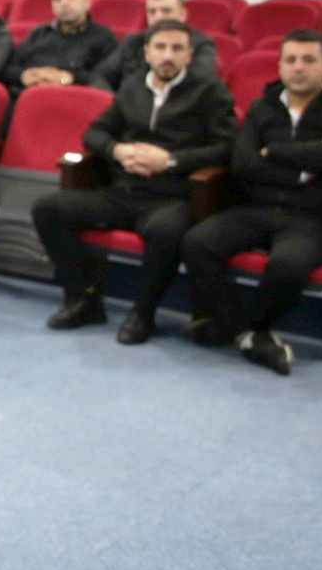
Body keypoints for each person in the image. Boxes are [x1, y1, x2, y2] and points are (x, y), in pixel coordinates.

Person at [32, 20, 237, 344]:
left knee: (165, 231)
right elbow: (94, 133)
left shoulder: (211, 91)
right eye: (160, 48)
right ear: (147, 52)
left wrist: (170, 161)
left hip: (173, 196)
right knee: (47, 208)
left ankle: (143, 312)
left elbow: (227, 148)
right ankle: (83, 298)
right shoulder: (132, 86)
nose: (167, 56)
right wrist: (118, 150)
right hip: (122, 191)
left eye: (176, 48)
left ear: (189, 54)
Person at [182, 30, 322, 376]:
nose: (299, 68)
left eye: (309, 60)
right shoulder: (262, 106)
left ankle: (251, 328)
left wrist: (277, 152)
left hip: (313, 215)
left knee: (288, 264)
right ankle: (245, 331)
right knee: (197, 242)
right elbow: (244, 163)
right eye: (291, 60)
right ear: (280, 66)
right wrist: (305, 168)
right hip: (258, 207)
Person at [2, 0, 118, 96]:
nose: (64, 3)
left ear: (86, 3)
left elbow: (107, 78)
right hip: (29, 98)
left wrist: (67, 79)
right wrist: (23, 76)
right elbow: (9, 68)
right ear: (52, 7)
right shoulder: (38, 33)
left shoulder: (103, 38)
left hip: (73, 101)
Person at [90, 0, 217, 91]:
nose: (158, 17)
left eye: (166, 11)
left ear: (182, 15)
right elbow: (100, 74)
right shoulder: (134, 41)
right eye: (152, 12)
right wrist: (114, 102)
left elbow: (201, 82)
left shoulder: (200, 43)